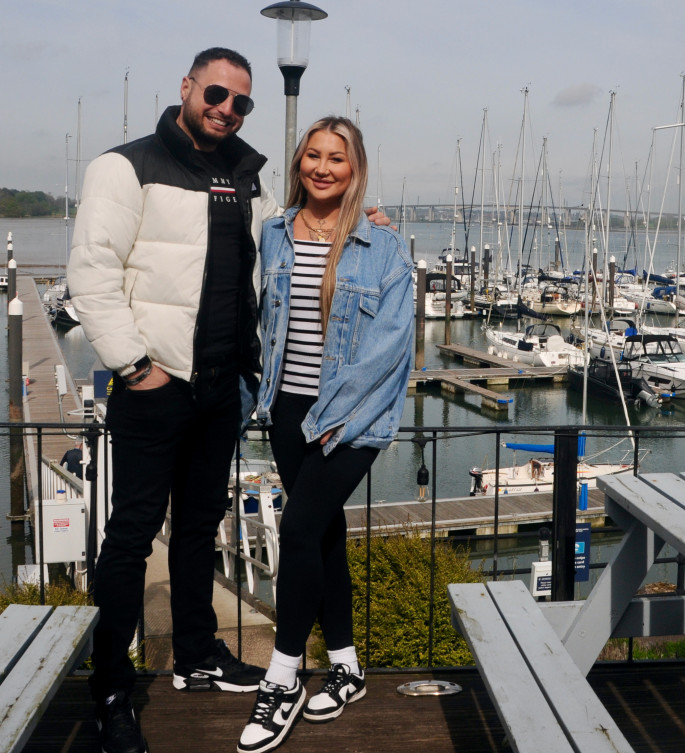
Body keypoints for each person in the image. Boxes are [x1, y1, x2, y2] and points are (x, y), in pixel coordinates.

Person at [68, 49, 390, 753]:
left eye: (241, 102)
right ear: (187, 87)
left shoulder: (247, 178)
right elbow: (91, 273)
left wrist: (366, 224)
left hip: (224, 391)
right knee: (131, 536)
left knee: (199, 527)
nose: (226, 108)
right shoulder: (125, 166)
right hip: (154, 384)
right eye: (216, 93)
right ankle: (112, 688)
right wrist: (134, 364)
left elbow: (295, 235)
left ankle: (196, 652)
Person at [237, 116, 413, 753]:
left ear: (355, 167)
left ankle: (281, 677)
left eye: (336, 158)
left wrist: (331, 414)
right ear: (298, 162)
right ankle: (346, 666)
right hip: (287, 410)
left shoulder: (385, 247)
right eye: (312, 155)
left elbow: (391, 348)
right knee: (325, 534)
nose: (322, 167)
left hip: (352, 417)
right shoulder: (275, 233)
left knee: (300, 528)